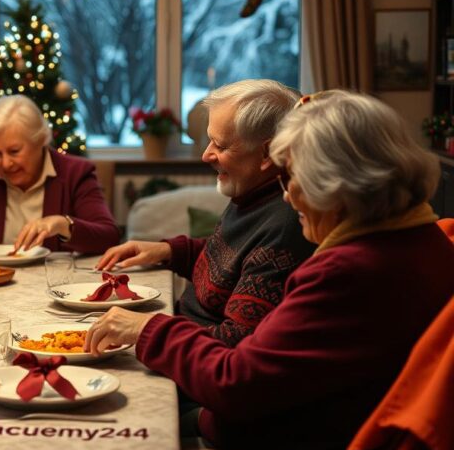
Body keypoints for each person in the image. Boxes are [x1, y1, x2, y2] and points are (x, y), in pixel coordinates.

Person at [85, 91, 454, 450]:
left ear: (341, 187)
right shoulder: (420, 239)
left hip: (281, 448)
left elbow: (234, 382)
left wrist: (150, 330)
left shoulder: (347, 271)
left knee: (110, 430)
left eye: (293, 178)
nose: (288, 196)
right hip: (305, 422)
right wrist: (173, 255)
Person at [97, 80, 315, 346]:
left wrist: (147, 328)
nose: (205, 155)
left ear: (267, 153)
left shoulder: (285, 226)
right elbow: (233, 263)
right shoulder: (253, 191)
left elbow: (235, 345)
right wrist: (170, 252)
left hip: (194, 361)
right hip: (181, 339)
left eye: (220, 146)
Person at [0, 95, 118, 254]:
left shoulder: (75, 173)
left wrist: (63, 224)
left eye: (14, 151)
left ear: (40, 141)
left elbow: (108, 237)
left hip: (56, 286)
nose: (5, 164)